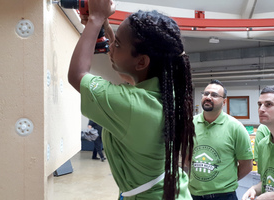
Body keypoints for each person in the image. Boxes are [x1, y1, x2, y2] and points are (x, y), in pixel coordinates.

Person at [67, 0, 195, 199]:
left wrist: (95, 19)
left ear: (142, 62)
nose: (112, 48)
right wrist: (105, 28)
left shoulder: (135, 107)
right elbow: (127, 74)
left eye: (117, 44)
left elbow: (77, 75)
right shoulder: (163, 94)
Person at [189, 80, 253, 200]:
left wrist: (224, 182)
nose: (208, 97)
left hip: (224, 196)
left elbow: (247, 165)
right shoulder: (190, 124)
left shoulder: (236, 127)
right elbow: (186, 157)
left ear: (224, 102)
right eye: (206, 93)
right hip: (193, 194)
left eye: (214, 95)